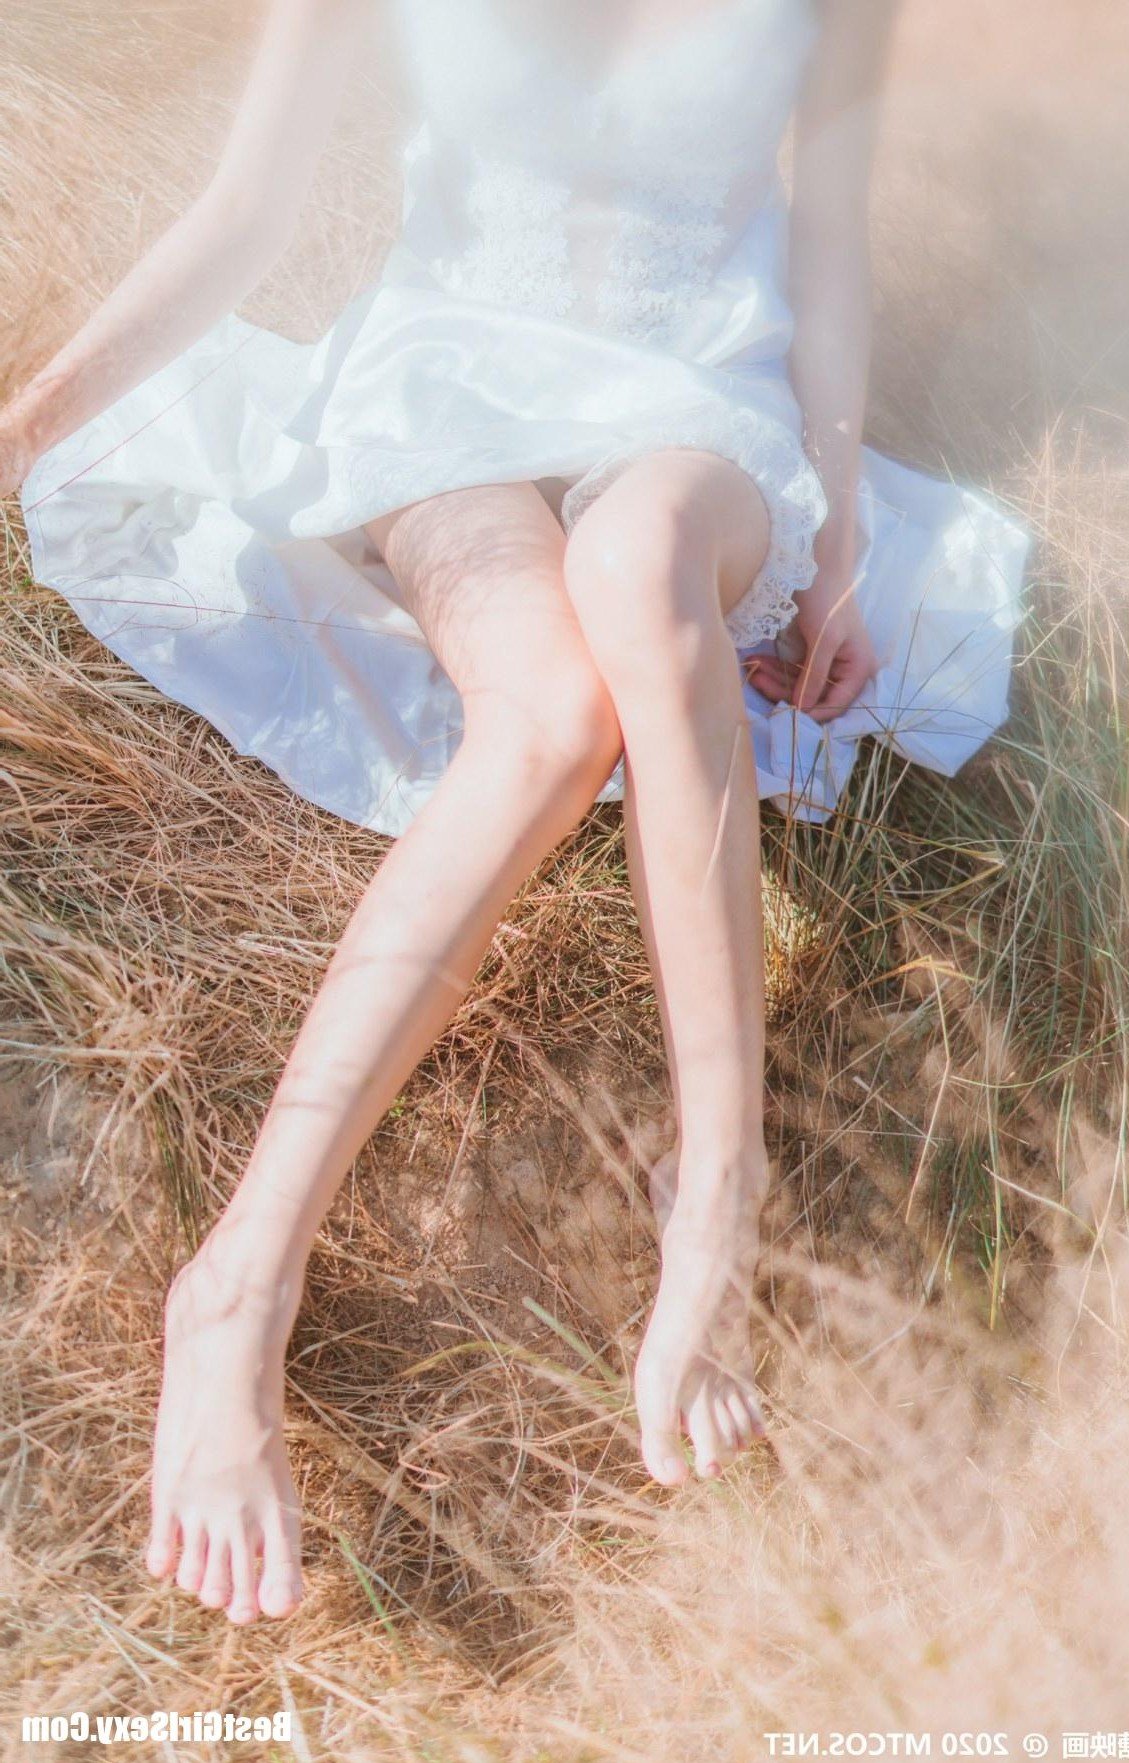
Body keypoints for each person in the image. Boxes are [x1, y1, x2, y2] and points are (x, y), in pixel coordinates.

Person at [0, 0, 1027, 1626]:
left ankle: (716, 1205)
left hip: (700, 411)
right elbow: (247, 206)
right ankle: (236, 1283)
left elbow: (826, 243)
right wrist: (27, 420)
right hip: (447, 394)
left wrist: (834, 548)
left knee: (637, 569)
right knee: (547, 710)